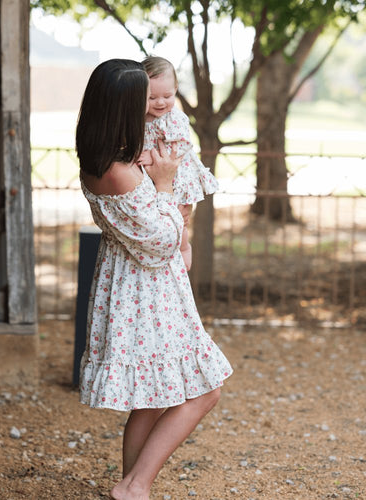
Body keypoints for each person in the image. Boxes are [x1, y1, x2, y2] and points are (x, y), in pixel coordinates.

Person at [76, 58, 233, 500]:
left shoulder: (106, 152)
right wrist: (163, 184)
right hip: (144, 288)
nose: (155, 108)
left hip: (142, 283)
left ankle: (131, 487)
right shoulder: (117, 170)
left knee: (152, 395)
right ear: (124, 108)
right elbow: (163, 242)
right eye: (144, 102)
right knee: (205, 390)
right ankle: (135, 485)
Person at [139, 56, 219, 272]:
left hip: (177, 176)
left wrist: (151, 154)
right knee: (159, 217)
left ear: (175, 89)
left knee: (178, 215)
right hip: (155, 179)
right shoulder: (139, 118)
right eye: (152, 97)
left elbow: (182, 145)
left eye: (167, 95)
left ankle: (184, 249)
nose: (160, 102)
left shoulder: (173, 118)